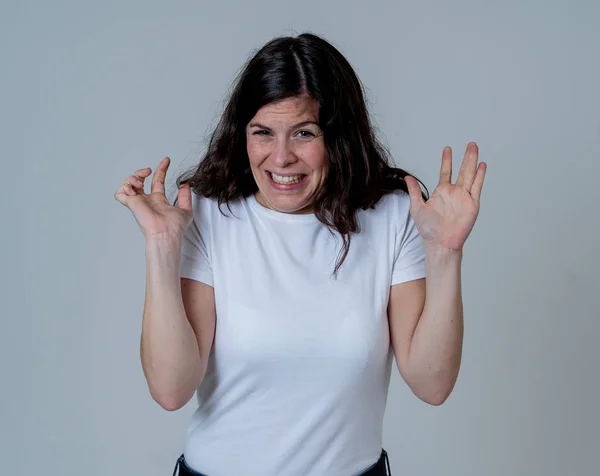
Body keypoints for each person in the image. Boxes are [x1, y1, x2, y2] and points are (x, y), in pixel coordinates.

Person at [114, 33, 486, 476]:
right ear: (243, 135)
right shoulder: (207, 216)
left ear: (338, 137)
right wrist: (161, 247)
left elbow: (433, 384)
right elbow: (170, 390)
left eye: (304, 133)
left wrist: (444, 253)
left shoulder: (390, 214)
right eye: (263, 133)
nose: (282, 157)